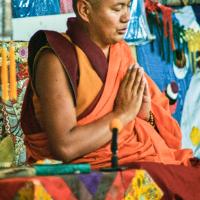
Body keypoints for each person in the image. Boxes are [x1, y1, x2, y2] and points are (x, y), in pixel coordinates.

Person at [21, 0, 193, 169]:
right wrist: (123, 114)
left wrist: (145, 114)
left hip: (143, 159)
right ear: (84, 10)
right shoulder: (56, 59)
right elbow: (65, 148)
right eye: (117, 8)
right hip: (89, 174)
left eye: (128, 6)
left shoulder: (121, 52)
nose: (126, 17)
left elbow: (168, 136)